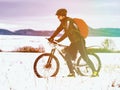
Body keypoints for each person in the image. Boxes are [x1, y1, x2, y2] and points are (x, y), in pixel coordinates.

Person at [48, 8, 98, 77]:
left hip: (79, 41)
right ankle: (72, 73)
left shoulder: (68, 21)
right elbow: (58, 30)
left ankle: (95, 71)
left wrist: (58, 40)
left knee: (84, 57)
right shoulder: (63, 22)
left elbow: (67, 33)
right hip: (74, 43)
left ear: (63, 15)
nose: (57, 17)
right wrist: (51, 37)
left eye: (58, 15)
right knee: (67, 56)